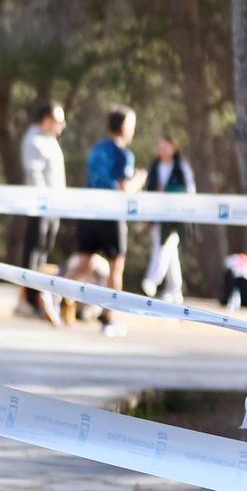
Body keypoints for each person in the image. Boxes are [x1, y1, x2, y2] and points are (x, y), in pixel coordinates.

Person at [71, 106, 144, 337]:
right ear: (123, 126)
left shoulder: (96, 148)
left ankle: (51, 292)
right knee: (116, 267)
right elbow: (123, 188)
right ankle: (109, 317)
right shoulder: (123, 154)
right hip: (110, 213)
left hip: (88, 210)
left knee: (83, 262)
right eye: (131, 124)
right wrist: (139, 180)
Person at [17, 102, 65, 325]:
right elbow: (35, 173)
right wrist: (43, 202)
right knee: (34, 249)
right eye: (58, 120)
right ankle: (29, 298)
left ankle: (40, 294)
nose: (62, 125)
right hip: (40, 206)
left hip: (54, 205)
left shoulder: (50, 140)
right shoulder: (34, 140)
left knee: (44, 248)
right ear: (46, 119)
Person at [141, 134, 196, 305]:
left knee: (165, 245)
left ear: (174, 148)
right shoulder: (154, 166)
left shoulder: (181, 167)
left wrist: (169, 193)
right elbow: (149, 189)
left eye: (166, 146)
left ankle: (152, 280)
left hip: (175, 217)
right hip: (157, 215)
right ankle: (174, 289)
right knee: (170, 252)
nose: (162, 150)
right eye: (160, 146)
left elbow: (189, 190)